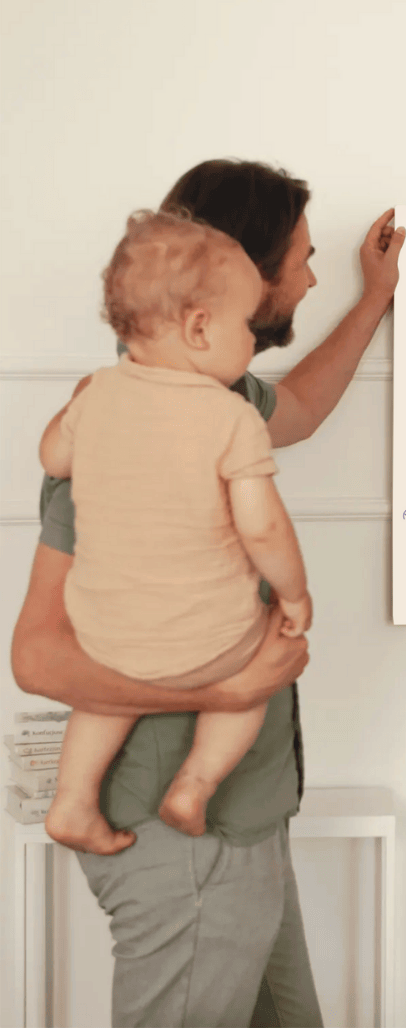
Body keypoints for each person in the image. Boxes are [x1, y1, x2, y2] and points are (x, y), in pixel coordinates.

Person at [11, 159, 404, 1028]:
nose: (310, 273)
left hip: (242, 822)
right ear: (232, 288)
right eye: (300, 259)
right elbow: (36, 657)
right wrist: (219, 690)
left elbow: (299, 405)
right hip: (177, 840)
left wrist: (375, 297)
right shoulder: (121, 436)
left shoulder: (217, 401)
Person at [41, 211, 313, 856]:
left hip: (105, 634)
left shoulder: (97, 394)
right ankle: (194, 783)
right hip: (205, 641)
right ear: (198, 328)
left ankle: (73, 801)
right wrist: (295, 596)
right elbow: (264, 528)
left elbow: (53, 458)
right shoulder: (229, 417)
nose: (253, 341)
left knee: (104, 699)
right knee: (257, 666)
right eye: (248, 325)